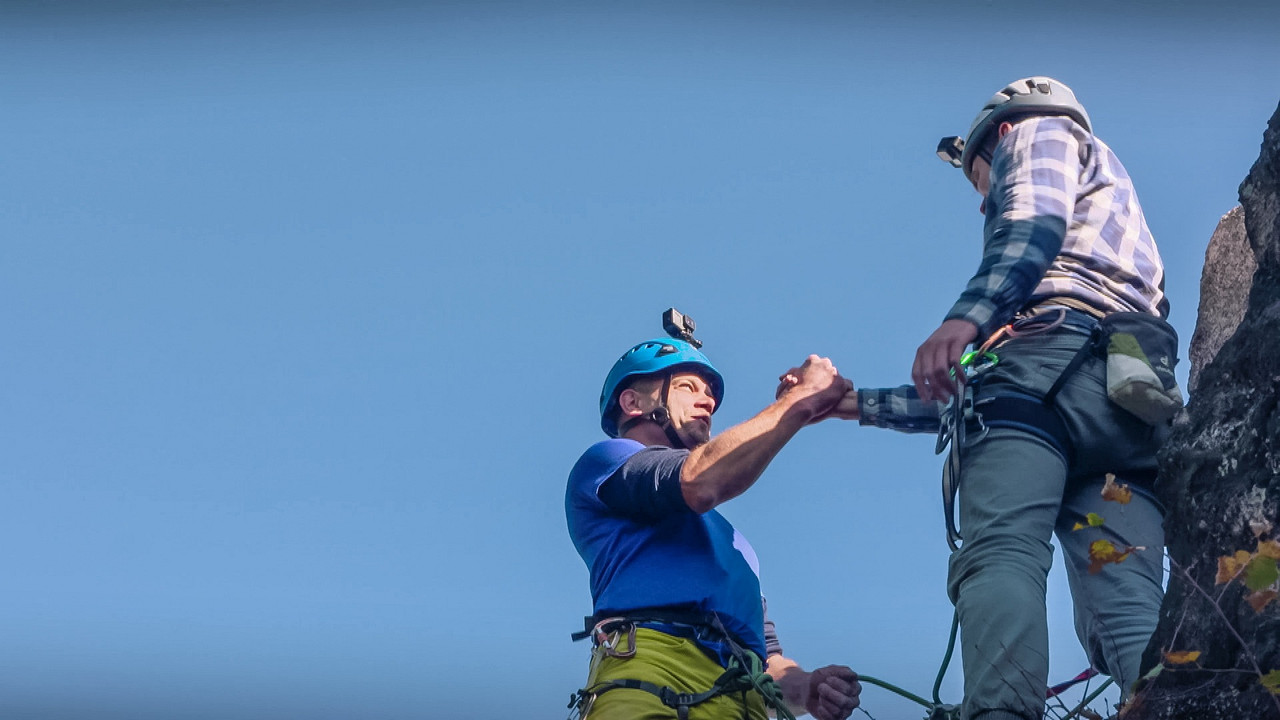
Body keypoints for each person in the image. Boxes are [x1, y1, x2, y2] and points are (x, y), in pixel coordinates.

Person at [847, 77, 1174, 720]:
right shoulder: (1118, 209)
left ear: (1000, 135)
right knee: (1126, 586)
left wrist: (967, 317)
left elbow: (1033, 222)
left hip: (1040, 358)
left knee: (1001, 549)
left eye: (980, 181)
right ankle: (1165, 706)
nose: (982, 204)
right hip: (1124, 393)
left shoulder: (1037, 133)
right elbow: (973, 391)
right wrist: (852, 403)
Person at [566, 331, 862, 720]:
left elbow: (768, 661)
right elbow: (699, 481)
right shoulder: (608, 461)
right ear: (632, 402)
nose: (707, 401)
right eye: (689, 386)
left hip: (744, 701)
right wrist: (798, 403)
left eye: (709, 393)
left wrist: (806, 688)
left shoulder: (736, 546)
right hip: (651, 679)